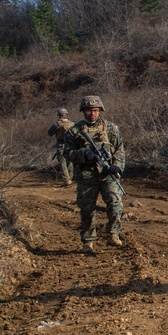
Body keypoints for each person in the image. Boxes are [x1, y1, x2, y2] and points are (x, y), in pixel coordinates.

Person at [63, 95, 126, 255]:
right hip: (86, 175)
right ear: (83, 111)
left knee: (115, 202)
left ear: (100, 111)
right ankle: (88, 241)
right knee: (87, 209)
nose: (92, 113)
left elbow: (119, 150)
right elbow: (68, 153)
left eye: (96, 110)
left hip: (107, 174)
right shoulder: (75, 131)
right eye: (89, 110)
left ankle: (113, 233)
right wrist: (84, 154)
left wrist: (117, 166)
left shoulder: (111, 128)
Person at [47, 107, 74, 186]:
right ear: (67, 114)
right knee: (70, 162)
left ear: (58, 115)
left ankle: (66, 180)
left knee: (62, 163)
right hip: (70, 145)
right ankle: (70, 178)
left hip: (60, 145)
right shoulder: (72, 124)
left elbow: (50, 133)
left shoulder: (56, 124)